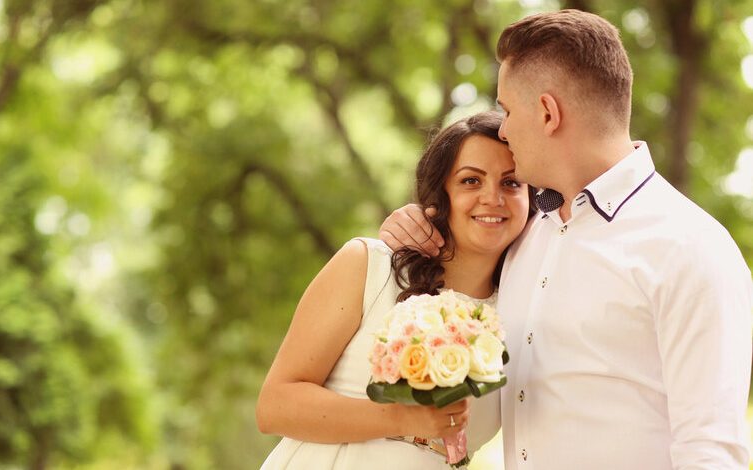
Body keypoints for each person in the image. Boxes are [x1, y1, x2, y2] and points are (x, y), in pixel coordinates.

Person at [380, 9, 753, 470]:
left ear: (548, 113)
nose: (503, 128)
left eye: (509, 110)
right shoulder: (523, 235)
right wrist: (413, 226)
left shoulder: (691, 249)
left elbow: (711, 451)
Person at [256, 111, 532, 469]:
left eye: (511, 183)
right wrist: (400, 419)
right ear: (442, 194)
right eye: (470, 181)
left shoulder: (517, 316)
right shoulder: (370, 265)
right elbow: (274, 406)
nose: (492, 198)